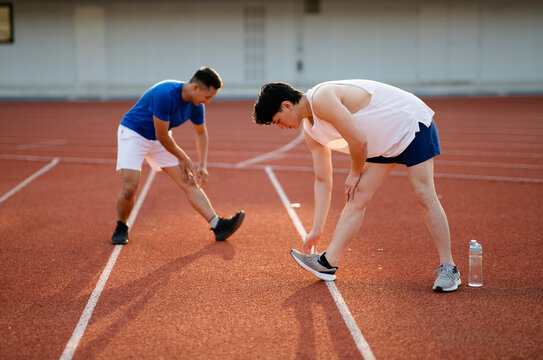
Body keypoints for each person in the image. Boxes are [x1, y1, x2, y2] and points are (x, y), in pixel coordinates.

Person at [253, 80, 460, 292]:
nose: (280, 127)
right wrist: (317, 229)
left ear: (287, 105)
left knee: (424, 194)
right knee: (358, 196)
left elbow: (359, 141)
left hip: (409, 124)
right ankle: (327, 263)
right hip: (382, 142)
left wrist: (354, 173)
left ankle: (449, 267)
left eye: (277, 121)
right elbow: (322, 179)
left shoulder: (322, 99)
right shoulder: (311, 131)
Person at [111, 67, 244, 245]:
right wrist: (183, 156)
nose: (208, 101)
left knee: (188, 181)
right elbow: (162, 135)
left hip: (159, 140)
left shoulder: (197, 104)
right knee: (129, 188)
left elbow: (200, 133)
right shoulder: (164, 93)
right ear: (196, 88)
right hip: (134, 134)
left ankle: (217, 225)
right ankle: (121, 226)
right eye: (208, 96)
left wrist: (203, 164)